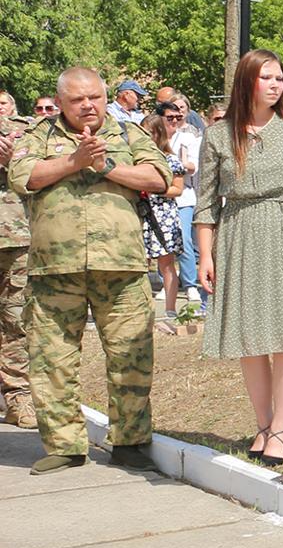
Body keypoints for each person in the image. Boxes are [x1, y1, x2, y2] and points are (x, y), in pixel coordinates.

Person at [11, 67, 170, 475]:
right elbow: (22, 176)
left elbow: (160, 176)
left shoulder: (130, 134)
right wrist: (73, 161)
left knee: (131, 356)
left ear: (104, 97)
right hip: (53, 270)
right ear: (61, 102)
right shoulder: (38, 136)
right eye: (78, 100)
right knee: (52, 359)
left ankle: (131, 442)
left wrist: (104, 166)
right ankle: (64, 446)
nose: (87, 106)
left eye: (94, 97)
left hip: (121, 266)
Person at [195, 49, 283, 467]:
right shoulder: (219, 136)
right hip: (238, 237)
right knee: (250, 339)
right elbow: (205, 204)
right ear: (247, 81)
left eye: (280, 79)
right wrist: (205, 254)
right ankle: (263, 423)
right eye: (267, 78)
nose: (276, 85)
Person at [0, 102, 36, 427]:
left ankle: (17, 399)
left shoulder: (23, 129)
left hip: (16, 239)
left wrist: (12, 159)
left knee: (16, 322)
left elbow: (37, 175)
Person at [138, 112, 188, 323]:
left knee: (166, 265)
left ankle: (170, 309)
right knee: (139, 265)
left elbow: (177, 190)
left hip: (163, 215)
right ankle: (140, 311)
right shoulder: (134, 160)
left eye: (147, 133)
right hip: (140, 213)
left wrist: (153, 189)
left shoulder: (170, 160)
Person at [163, 102, 206, 314]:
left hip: (184, 196)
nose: (174, 120)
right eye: (169, 117)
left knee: (184, 239)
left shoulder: (189, 138)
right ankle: (167, 283)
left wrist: (177, 162)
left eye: (178, 116)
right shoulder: (153, 138)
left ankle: (190, 285)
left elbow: (192, 167)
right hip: (159, 197)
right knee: (163, 242)